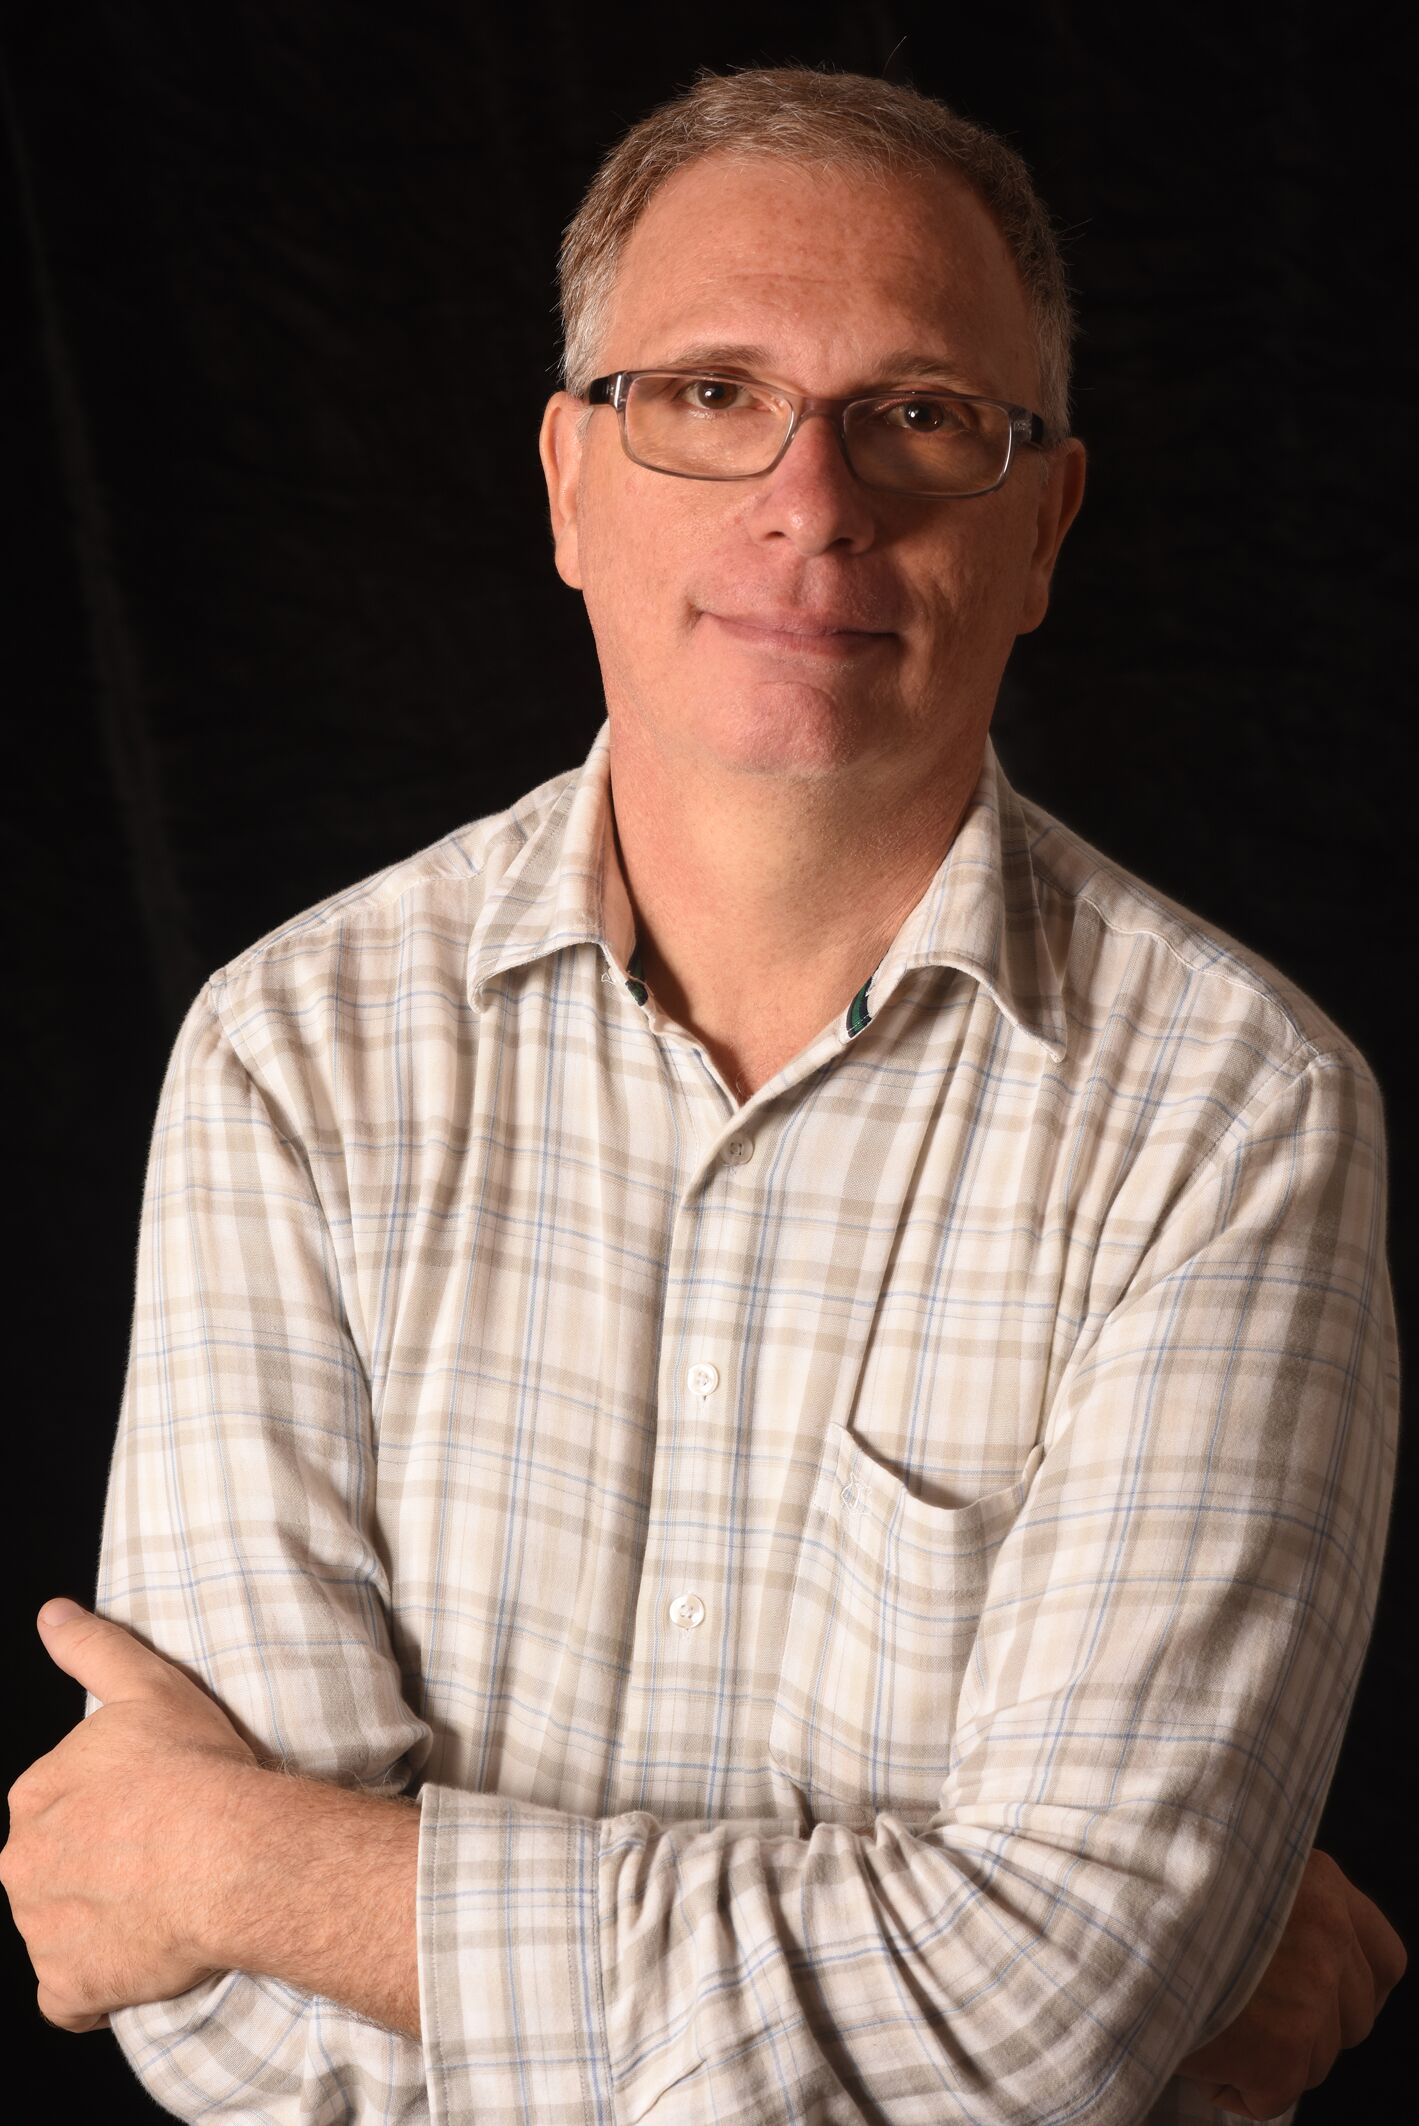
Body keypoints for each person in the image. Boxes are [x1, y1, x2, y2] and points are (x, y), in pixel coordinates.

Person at [1, 63, 1404, 2126]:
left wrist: (238, 1864)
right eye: (710, 394)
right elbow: (236, 2039)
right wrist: (1033, 2004)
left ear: (1043, 523)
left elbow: (1035, 2019)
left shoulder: (1236, 1119)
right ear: (569, 479)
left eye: (920, 413)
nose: (813, 499)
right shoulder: (291, 1054)